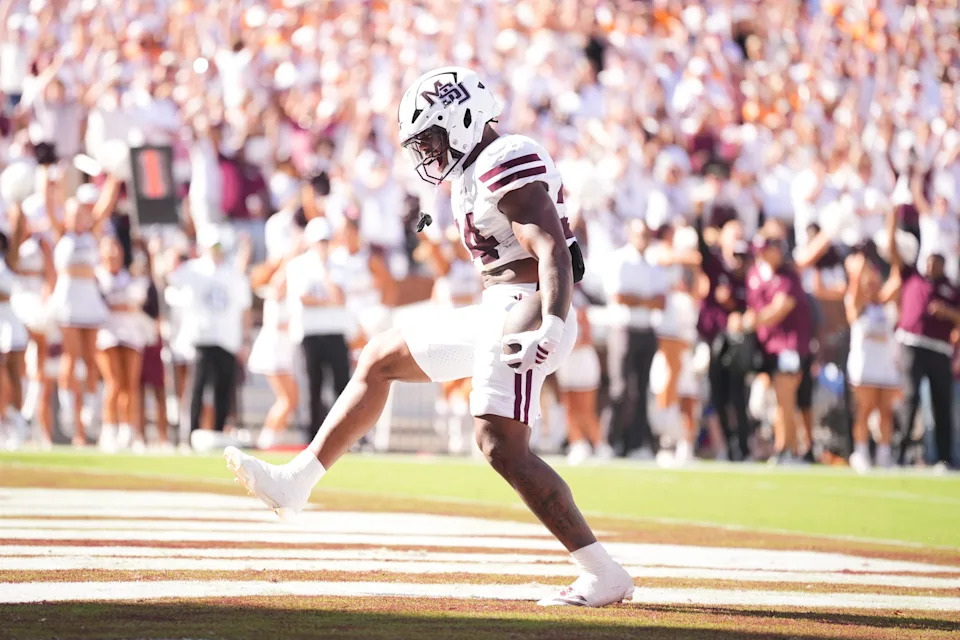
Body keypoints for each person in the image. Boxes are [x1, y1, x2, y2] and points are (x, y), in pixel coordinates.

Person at [226, 67, 634, 607]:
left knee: (499, 445)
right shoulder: (472, 172)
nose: (426, 150)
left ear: (463, 119)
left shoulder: (504, 155)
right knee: (379, 357)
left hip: (528, 307)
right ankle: (295, 481)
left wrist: (553, 321)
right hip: (498, 306)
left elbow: (552, 248)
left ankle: (602, 572)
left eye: (431, 137)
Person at [887, 206, 960, 469]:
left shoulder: (952, 289)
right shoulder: (912, 277)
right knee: (910, 397)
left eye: (935, 261)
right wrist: (891, 222)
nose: (929, 264)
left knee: (943, 402)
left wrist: (947, 312)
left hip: (939, 349)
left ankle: (943, 457)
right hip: (912, 345)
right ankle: (900, 454)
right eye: (927, 260)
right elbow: (894, 255)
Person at [48, 179, 118, 445]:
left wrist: (114, 175)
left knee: (91, 359)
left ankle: (90, 406)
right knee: (70, 356)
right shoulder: (60, 235)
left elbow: (107, 204)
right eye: (74, 213)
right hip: (68, 300)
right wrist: (49, 177)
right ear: (66, 216)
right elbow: (48, 201)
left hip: (89, 299)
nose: (80, 217)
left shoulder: (92, 234)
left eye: (82, 213)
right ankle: (68, 408)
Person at [166, 225, 251, 439]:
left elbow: (244, 309)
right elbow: (168, 277)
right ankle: (191, 433)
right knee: (197, 387)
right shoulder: (192, 269)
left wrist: (244, 340)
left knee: (223, 390)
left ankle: (218, 434)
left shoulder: (233, 274)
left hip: (227, 340)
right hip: (201, 338)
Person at [744, 224, 813, 464]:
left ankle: (789, 449)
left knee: (786, 398)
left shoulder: (787, 276)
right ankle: (783, 445)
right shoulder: (756, 273)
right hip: (766, 346)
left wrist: (752, 321)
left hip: (788, 345)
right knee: (773, 400)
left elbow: (781, 307)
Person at [603, 218, 667, 459]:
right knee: (620, 388)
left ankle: (635, 444)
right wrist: (645, 301)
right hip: (624, 329)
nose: (644, 240)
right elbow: (619, 297)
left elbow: (660, 302)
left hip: (646, 331)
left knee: (641, 390)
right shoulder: (620, 260)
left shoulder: (653, 263)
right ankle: (610, 441)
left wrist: (638, 299)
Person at [285, 217, 352, 440]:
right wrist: (327, 301)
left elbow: (339, 297)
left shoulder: (339, 264)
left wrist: (325, 272)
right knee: (311, 388)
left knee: (341, 388)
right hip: (309, 334)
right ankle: (311, 437)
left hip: (334, 332)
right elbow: (303, 298)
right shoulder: (298, 265)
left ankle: (342, 436)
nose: (323, 245)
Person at [844, 242, 901, 473]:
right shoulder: (857, 305)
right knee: (864, 410)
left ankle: (884, 453)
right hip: (864, 368)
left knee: (886, 411)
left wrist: (897, 257)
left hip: (886, 367)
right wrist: (858, 269)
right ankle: (861, 452)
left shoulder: (886, 305)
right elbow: (854, 290)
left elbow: (897, 280)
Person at [95, 234, 149, 452]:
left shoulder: (130, 277)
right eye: (108, 248)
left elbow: (138, 302)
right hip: (106, 334)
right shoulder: (96, 276)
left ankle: (128, 430)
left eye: (116, 247)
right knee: (114, 382)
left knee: (130, 385)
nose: (113, 253)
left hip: (130, 334)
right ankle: (109, 429)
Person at [556, 290, 608, 465]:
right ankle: (577, 444)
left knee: (585, 407)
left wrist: (569, 344)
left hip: (582, 359)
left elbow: (587, 336)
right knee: (569, 406)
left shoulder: (578, 299)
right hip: (566, 360)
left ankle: (600, 445)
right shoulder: (552, 295)